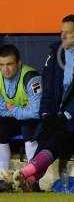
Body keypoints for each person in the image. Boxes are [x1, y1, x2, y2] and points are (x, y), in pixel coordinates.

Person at [12, 14, 74, 193]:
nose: (63, 36)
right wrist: (46, 114)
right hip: (62, 117)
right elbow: (48, 90)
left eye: (68, 33)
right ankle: (31, 179)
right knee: (48, 131)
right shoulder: (54, 54)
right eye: (61, 32)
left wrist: (65, 114)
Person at [0, 44, 41, 190]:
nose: (6, 69)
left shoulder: (31, 77)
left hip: (33, 120)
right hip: (14, 117)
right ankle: (3, 179)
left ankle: (31, 180)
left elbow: (36, 111)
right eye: (2, 65)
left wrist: (14, 110)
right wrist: (18, 110)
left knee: (28, 128)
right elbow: (1, 109)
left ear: (18, 63)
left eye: (10, 64)